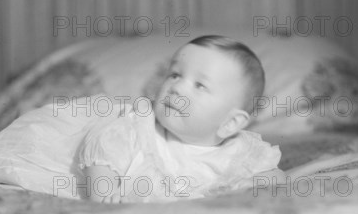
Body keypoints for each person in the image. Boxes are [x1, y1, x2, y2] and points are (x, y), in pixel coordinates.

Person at [79, 35, 283, 203]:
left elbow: (277, 179)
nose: (176, 88)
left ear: (230, 123)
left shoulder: (241, 155)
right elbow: (101, 158)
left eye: (200, 85)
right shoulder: (133, 129)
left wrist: (252, 186)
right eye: (175, 75)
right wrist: (106, 197)